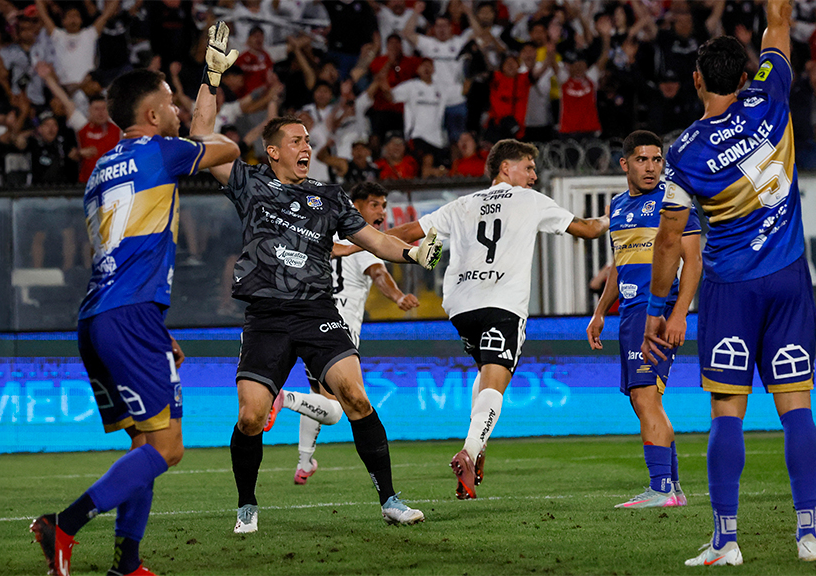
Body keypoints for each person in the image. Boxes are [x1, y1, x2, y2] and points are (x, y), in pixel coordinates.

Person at [188, 22, 442, 532]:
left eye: (309, 139)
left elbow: (376, 240)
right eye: (297, 140)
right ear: (274, 150)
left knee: (355, 397)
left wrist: (414, 255)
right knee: (251, 417)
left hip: (317, 311)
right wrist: (212, 79)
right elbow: (199, 137)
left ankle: (390, 499)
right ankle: (247, 505)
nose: (307, 146)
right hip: (265, 315)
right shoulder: (249, 182)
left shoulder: (329, 196)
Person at [28, 49, 242, 576]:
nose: (174, 111)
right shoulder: (160, 151)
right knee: (168, 449)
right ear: (152, 116)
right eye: (170, 102)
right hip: (129, 316)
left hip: (101, 315)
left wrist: (156, 329)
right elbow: (228, 146)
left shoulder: (101, 167)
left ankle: (127, 563)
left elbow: (128, 252)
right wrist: (210, 86)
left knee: (144, 443)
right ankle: (66, 523)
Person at [641, 0, 816, 566]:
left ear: (696, 80)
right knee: (797, 408)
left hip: (730, 288)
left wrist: (658, 306)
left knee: (727, 411)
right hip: (790, 276)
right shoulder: (770, 94)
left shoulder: (685, 155)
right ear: (745, 76)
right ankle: (807, 532)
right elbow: (779, 23)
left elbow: (671, 240)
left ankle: (726, 540)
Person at [386, 139, 608, 500]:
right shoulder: (530, 200)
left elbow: (411, 231)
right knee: (496, 382)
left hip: (460, 307)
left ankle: (478, 445)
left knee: (485, 373)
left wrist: (354, 240)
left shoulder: (462, 204)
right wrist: (617, 218)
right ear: (506, 168)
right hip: (502, 303)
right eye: (529, 167)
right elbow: (585, 228)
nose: (535, 176)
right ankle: (469, 453)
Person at [269, 181, 421, 485]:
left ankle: (304, 461)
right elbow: (379, 272)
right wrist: (398, 297)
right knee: (339, 408)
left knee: (318, 394)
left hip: (308, 322)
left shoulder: (324, 232)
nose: (381, 211)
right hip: (340, 331)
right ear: (356, 205)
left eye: (383, 205)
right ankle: (284, 399)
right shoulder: (363, 237)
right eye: (374, 204)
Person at [586, 130, 701, 509]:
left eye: (657, 159)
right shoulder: (617, 206)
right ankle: (673, 487)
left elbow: (693, 262)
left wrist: (679, 313)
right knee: (645, 400)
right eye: (642, 159)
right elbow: (619, 267)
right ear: (625, 164)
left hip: (658, 311)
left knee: (644, 396)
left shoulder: (674, 202)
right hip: (630, 314)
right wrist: (601, 313)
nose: (651, 167)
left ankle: (661, 488)